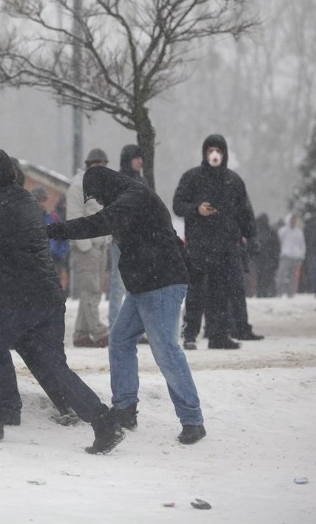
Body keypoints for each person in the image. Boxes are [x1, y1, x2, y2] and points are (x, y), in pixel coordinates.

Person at [0, 149, 123, 453]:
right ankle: (104, 422)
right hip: (47, 297)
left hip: (18, 297)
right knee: (53, 367)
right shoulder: (24, 199)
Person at [48, 165, 206, 445]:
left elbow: (99, 222)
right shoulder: (127, 196)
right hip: (144, 284)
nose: (99, 203)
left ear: (106, 186)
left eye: (97, 197)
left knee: (166, 351)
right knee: (120, 340)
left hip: (162, 282)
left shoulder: (133, 198)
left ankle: (193, 419)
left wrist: (54, 230)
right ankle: (125, 408)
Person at [173, 134, 257, 350]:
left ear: (224, 153)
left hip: (226, 247)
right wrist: (197, 209)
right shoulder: (192, 178)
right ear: (204, 153)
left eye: (218, 151)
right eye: (211, 150)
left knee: (221, 293)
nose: (214, 155)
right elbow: (178, 204)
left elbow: (245, 212)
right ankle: (190, 334)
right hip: (199, 246)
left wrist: (251, 236)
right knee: (196, 292)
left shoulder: (234, 181)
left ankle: (217, 335)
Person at [66, 148, 110, 348]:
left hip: (100, 245)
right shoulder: (78, 186)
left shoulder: (103, 186)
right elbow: (74, 216)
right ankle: (98, 331)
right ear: (89, 165)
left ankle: (81, 333)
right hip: (88, 246)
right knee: (91, 290)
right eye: (96, 165)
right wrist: (85, 246)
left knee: (92, 290)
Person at [109, 144, 146, 329]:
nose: (140, 161)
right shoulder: (117, 181)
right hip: (121, 240)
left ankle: (135, 326)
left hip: (140, 240)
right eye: (136, 158)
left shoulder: (142, 182)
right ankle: (116, 325)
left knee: (138, 285)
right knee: (119, 284)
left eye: (141, 158)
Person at [32, 186, 70, 294]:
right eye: (39, 200)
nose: (42, 204)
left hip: (53, 260)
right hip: (36, 261)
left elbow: (64, 238)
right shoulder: (30, 219)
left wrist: (60, 255)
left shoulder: (53, 218)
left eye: (44, 200)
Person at [276, 213, 306, 298]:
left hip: (296, 257)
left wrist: (301, 255)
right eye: (292, 219)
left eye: (295, 220)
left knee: (293, 277)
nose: (293, 221)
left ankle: (291, 293)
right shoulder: (282, 231)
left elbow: (302, 244)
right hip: (285, 256)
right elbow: (279, 243)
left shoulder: (299, 232)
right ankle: (279, 292)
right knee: (282, 275)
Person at [253, 213, 280, 297]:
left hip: (262, 259)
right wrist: (275, 258)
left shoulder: (257, 232)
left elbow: (254, 246)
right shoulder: (271, 232)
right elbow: (277, 246)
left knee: (261, 277)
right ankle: (269, 293)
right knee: (268, 277)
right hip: (268, 259)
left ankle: (261, 293)